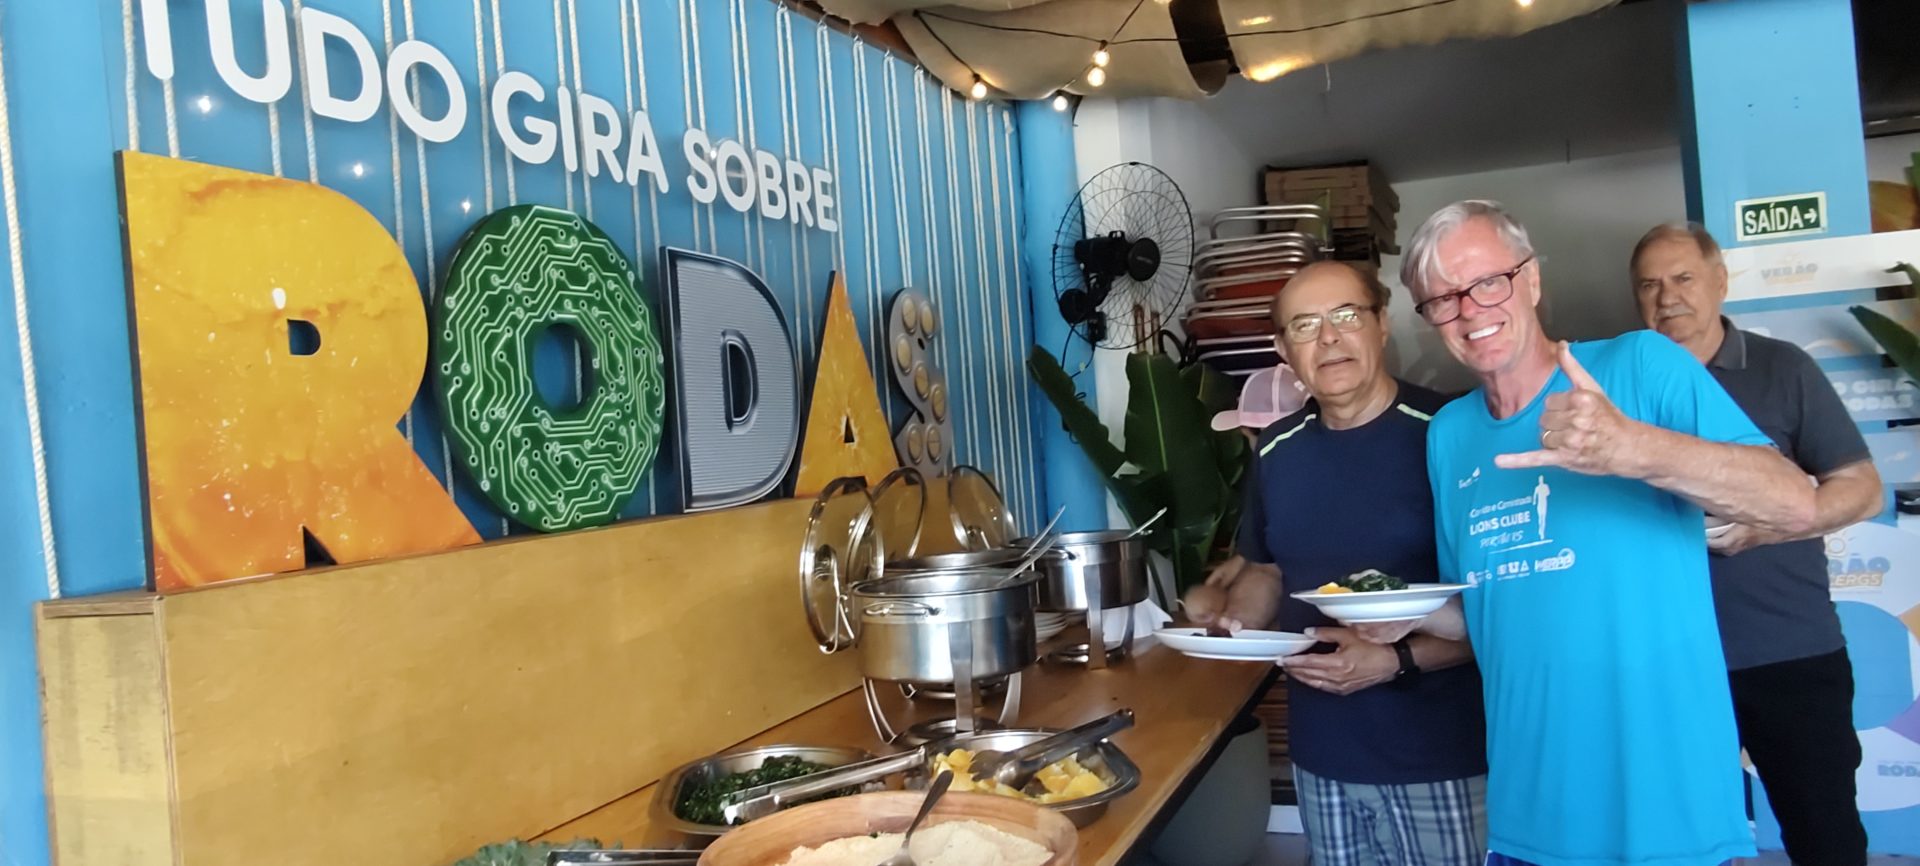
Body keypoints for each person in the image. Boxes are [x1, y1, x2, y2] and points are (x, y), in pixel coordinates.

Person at [1386, 200, 1816, 866]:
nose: (1469, 311)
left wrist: (1633, 448)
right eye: (1442, 299)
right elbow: (1486, 608)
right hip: (1527, 815)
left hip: (1665, 814)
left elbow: (1792, 503)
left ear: (1531, 280)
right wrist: (1397, 615)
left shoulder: (1639, 364)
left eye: (1488, 282)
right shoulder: (1449, 434)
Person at [1185, 260, 1488, 866]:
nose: (1328, 338)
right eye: (1305, 325)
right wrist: (1233, 622)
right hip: (1322, 753)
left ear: (1382, 324)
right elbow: (1267, 569)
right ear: (1284, 350)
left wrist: (1396, 661)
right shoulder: (1277, 450)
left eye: (1346, 316)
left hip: (1439, 753)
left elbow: (1503, 605)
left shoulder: (1451, 434)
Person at [1632, 221, 1877, 865]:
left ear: (1720, 281)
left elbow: (1862, 489)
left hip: (1788, 651)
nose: (1667, 297)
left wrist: (1771, 525)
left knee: (1824, 835)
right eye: (1649, 285)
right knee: (1678, 846)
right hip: (1667, 663)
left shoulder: (1782, 368)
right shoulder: (1617, 387)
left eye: (1683, 278)